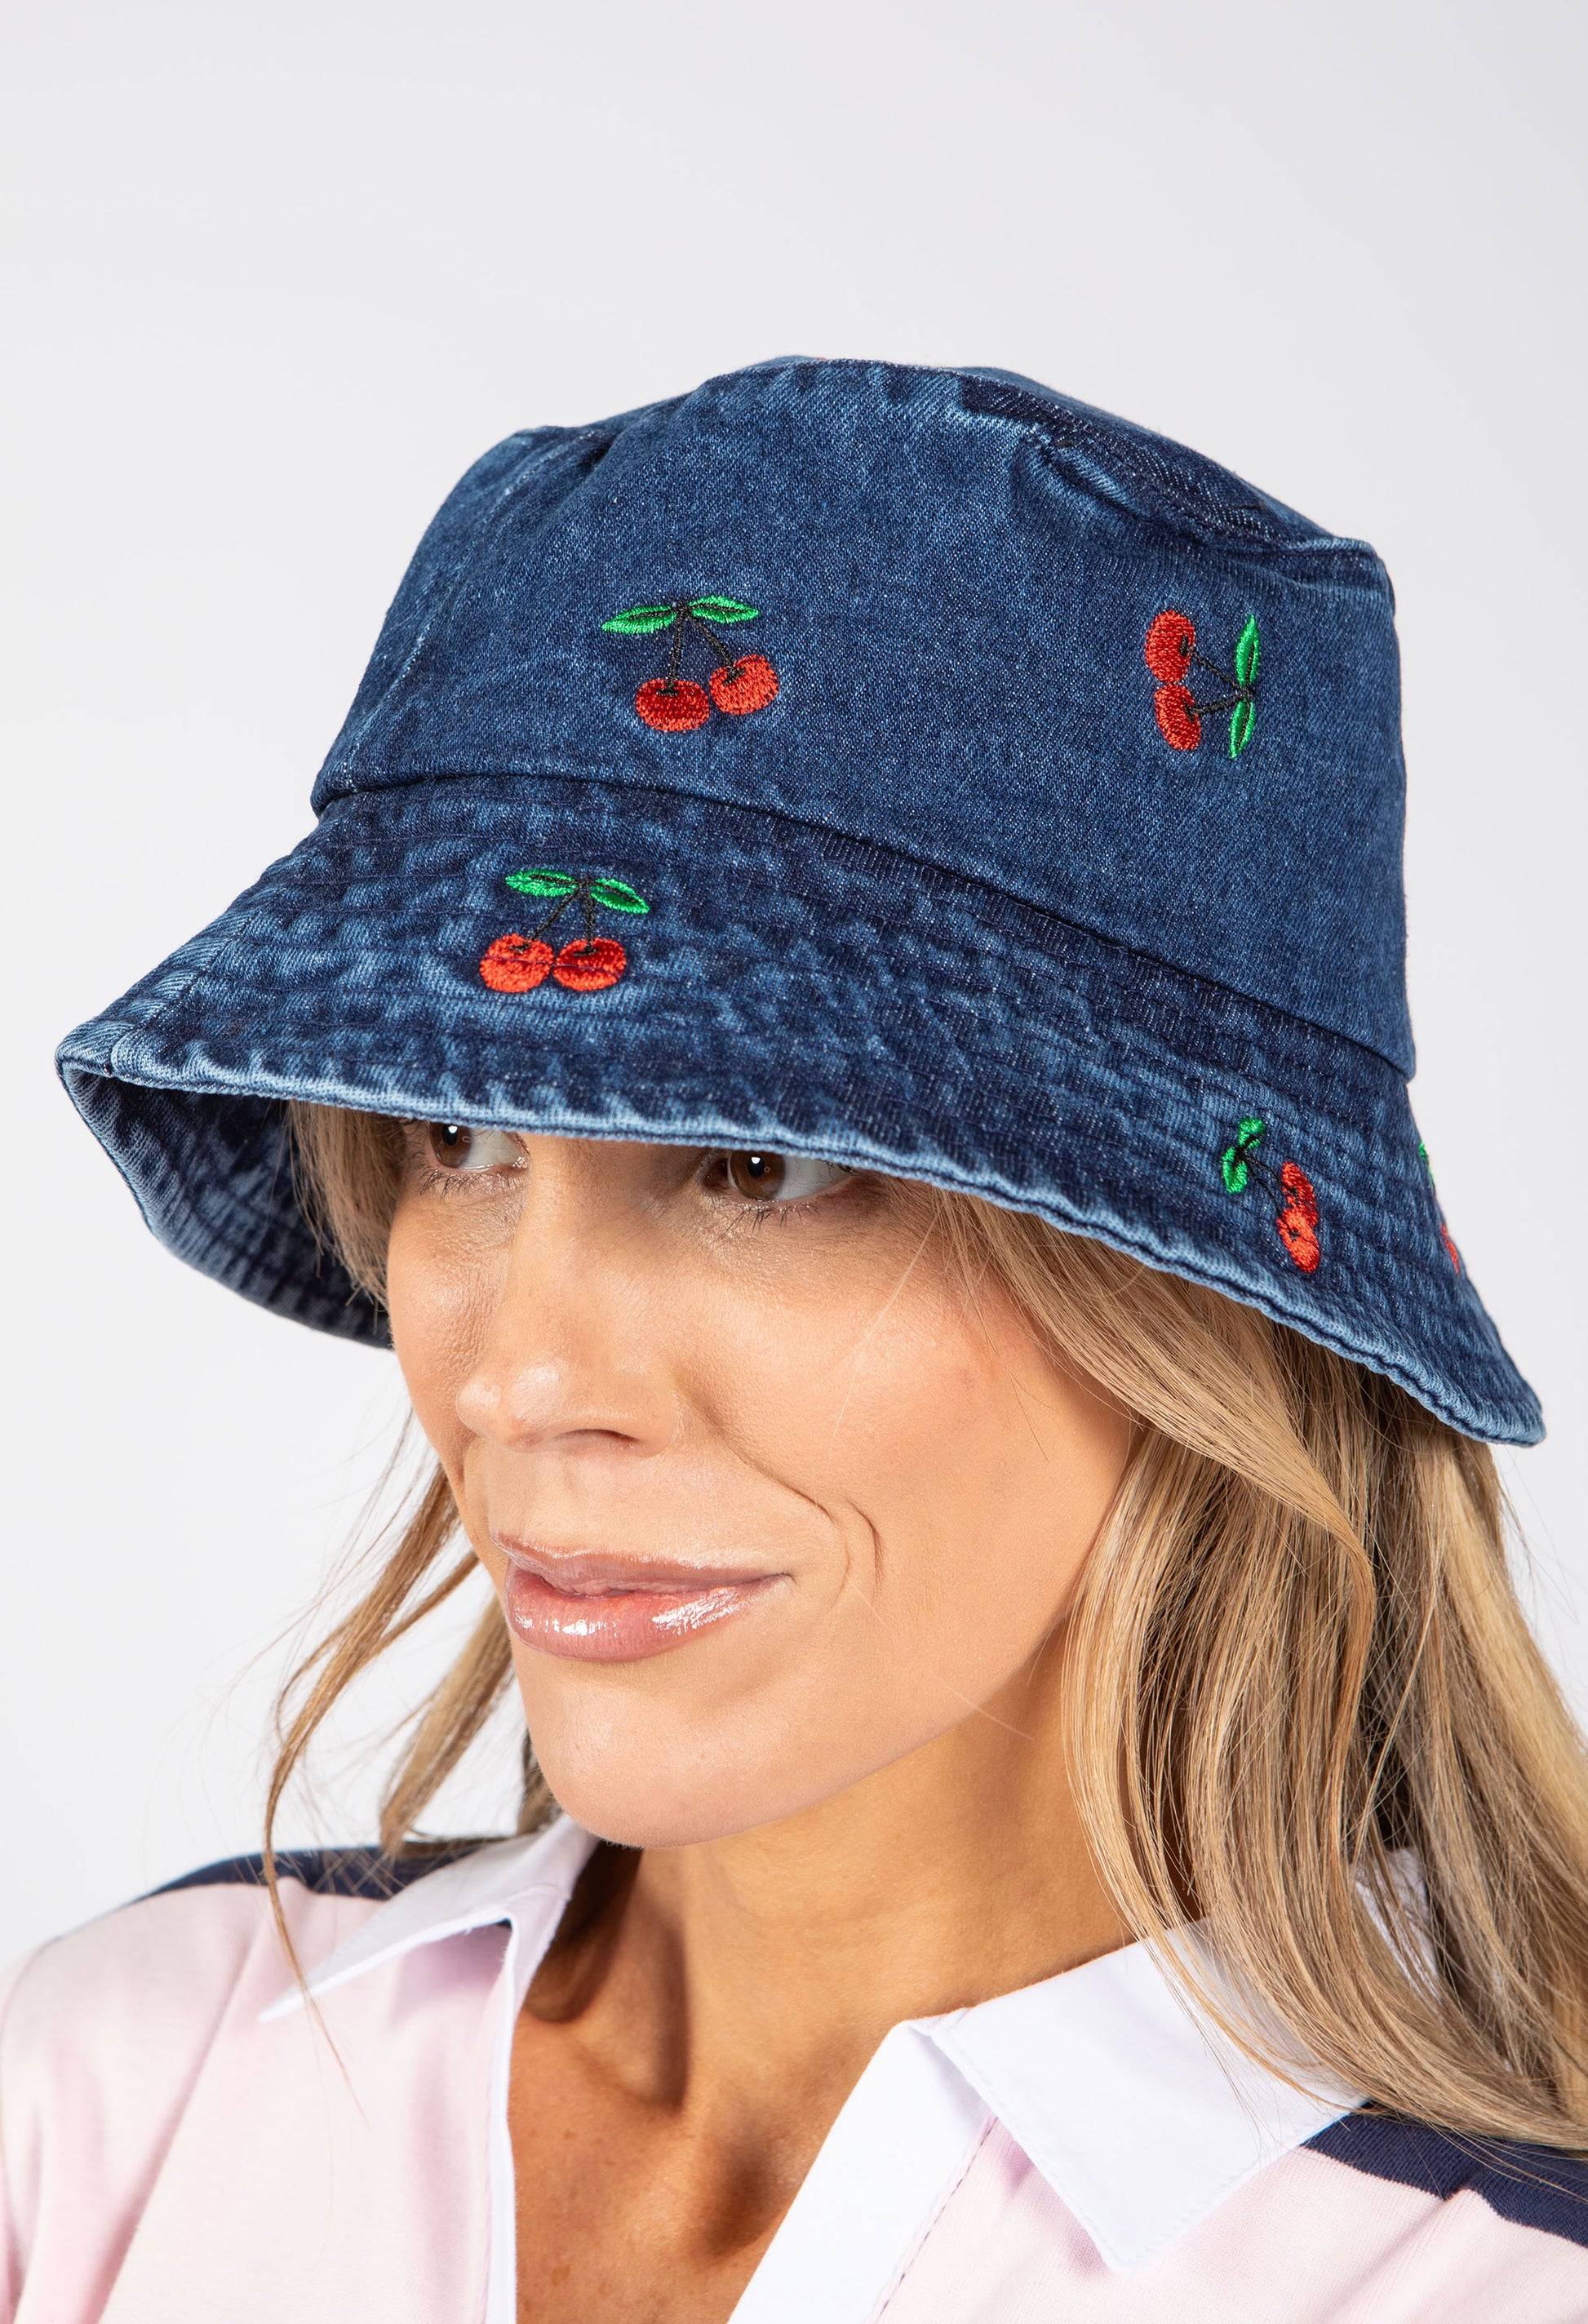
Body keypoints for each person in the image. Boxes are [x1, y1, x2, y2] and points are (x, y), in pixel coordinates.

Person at [7, 358, 1585, 2322]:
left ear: (1198, 1301)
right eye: (459, 1134)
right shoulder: (118, 2092)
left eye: (757, 1162)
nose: (519, 1380)